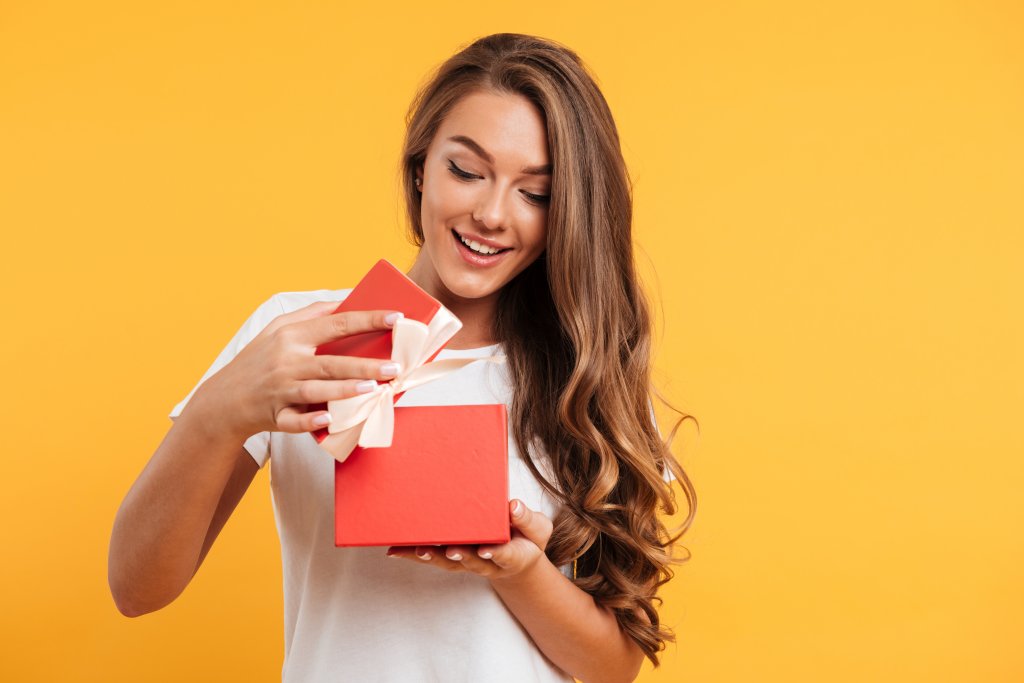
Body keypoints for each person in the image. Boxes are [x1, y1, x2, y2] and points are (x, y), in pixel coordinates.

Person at [108, 32, 696, 683]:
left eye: (536, 193)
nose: (492, 212)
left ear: (570, 213)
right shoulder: (301, 333)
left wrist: (521, 568)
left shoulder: (588, 376)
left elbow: (614, 668)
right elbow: (136, 588)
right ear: (421, 167)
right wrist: (219, 410)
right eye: (466, 171)